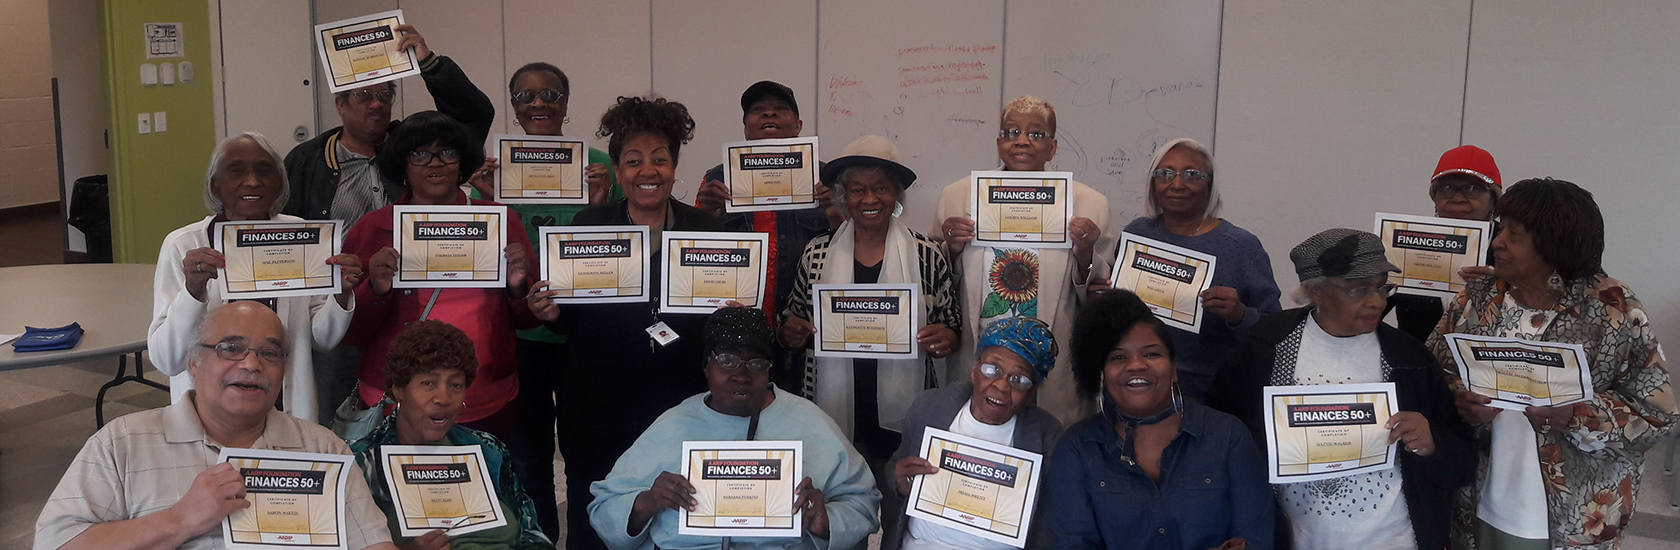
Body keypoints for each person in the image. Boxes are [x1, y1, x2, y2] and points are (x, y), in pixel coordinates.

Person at [1423, 178, 1676, 549]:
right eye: (1502, 228)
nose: (1497, 242)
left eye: (1515, 234)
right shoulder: (1477, 299)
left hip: (1573, 515)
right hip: (1478, 501)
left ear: (1555, 244)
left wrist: (1578, 415)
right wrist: (1458, 398)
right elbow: (1431, 376)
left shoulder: (1612, 309)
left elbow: (1657, 414)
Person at [36, 302, 397, 550]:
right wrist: (179, 520)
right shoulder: (122, 442)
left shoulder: (322, 448)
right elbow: (56, 543)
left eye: (269, 353)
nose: (252, 364)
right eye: (230, 348)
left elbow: (372, 542)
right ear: (193, 362)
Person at [526, 95, 720, 550]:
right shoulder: (588, 225)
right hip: (595, 405)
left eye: (659, 159)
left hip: (680, 404)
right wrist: (551, 313)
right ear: (617, 169)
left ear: (674, 166)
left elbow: (719, 328)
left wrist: (730, 315)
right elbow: (567, 324)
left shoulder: (707, 231)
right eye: (633, 161)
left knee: (674, 515)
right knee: (594, 511)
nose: (647, 171)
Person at [1208, 228, 1473, 550]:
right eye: (1359, 290)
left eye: (1382, 287)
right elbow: (1221, 434)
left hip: (1395, 539)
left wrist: (1432, 444)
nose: (1377, 302)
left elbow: (1463, 454)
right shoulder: (1267, 346)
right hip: (1297, 539)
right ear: (1315, 290)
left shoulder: (1409, 358)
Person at [283, 23, 494, 424]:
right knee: (334, 418)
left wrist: (430, 64)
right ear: (340, 103)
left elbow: (474, 114)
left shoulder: (409, 150)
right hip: (335, 307)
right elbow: (287, 234)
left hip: (402, 306)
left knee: (399, 412)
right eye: (364, 96)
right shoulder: (306, 160)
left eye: (385, 95)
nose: (377, 104)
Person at [462, 61, 622, 540]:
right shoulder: (495, 169)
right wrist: (486, 200)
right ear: (513, 105)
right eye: (526, 95)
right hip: (521, 332)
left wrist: (600, 208)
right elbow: (482, 251)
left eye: (550, 95)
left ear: (566, 103)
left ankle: (587, 541)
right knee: (529, 455)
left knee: (586, 453)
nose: (538, 103)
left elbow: (622, 249)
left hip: (582, 331)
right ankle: (541, 541)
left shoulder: (597, 164)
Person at [778, 136, 960, 541]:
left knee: (902, 522)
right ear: (843, 197)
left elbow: (951, 324)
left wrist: (945, 336)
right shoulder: (817, 253)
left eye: (880, 188)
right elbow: (793, 321)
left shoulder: (928, 254)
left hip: (904, 416)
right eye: (857, 190)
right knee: (840, 520)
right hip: (833, 411)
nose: (869, 199)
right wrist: (790, 333)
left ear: (896, 195)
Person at [587, 307, 881, 550]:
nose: (741, 375)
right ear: (706, 367)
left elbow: (863, 503)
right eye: (726, 360)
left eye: (756, 363)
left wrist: (825, 520)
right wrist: (646, 503)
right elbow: (603, 509)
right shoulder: (674, 424)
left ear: (770, 369)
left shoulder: (810, 423)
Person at [342, 111, 541, 445]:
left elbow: (529, 319)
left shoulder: (501, 221)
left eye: (447, 152)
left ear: (462, 163)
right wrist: (375, 289)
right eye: (419, 154)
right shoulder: (373, 228)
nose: (435, 162)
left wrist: (518, 287)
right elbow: (349, 333)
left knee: (486, 478)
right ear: (403, 166)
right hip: (393, 401)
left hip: (484, 399)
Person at [148, 132, 363, 422]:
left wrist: (341, 293)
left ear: (280, 183)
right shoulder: (184, 245)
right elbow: (167, 360)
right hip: (209, 418)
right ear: (216, 184)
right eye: (236, 170)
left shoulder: (300, 235)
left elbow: (321, 339)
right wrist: (192, 291)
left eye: (264, 171)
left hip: (285, 409)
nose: (252, 181)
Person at [932, 95, 1111, 426]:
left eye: (1036, 133)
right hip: (980, 354)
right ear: (999, 143)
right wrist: (953, 250)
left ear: (1053, 148)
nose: (1022, 141)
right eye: (1011, 132)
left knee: (1048, 440)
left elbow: (1100, 295)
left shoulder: (1089, 204)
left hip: (1053, 364)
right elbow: (937, 285)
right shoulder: (957, 196)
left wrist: (1086, 253)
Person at [1045, 290, 1272, 549]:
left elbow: (1256, 540)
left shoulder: (1229, 436)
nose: (1136, 365)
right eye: (1119, 357)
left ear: (1174, 369)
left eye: (1151, 354)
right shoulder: (1077, 448)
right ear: (1103, 375)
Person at [1095, 137, 1282, 403]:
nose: (1177, 184)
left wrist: (1240, 315)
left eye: (1192, 174)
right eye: (1165, 174)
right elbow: (1120, 307)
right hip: (1135, 385)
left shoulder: (1241, 246)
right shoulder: (1137, 233)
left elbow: (1276, 331)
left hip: (1210, 393)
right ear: (1152, 184)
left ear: (1210, 184)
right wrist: (1103, 297)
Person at [350, 320, 552, 550]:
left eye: (455, 385)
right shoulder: (364, 463)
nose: (444, 398)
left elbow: (531, 531)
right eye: (428, 383)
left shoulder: (487, 449)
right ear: (398, 388)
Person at [693, 81, 843, 367]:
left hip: (806, 327)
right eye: (758, 109)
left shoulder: (827, 178)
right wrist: (707, 213)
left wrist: (836, 212)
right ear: (746, 129)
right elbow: (694, 255)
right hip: (737, 328)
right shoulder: (717, 178)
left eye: (780, 109)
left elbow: (855, 246)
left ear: (798, 126)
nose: (769, 113)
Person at [885, 316, 1064, 550]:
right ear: (974, 370)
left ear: (1031, 394)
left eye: (1019, 379)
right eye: (992, 369)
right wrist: (899, 480)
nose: (1001, 385)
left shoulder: (1048, 436)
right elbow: (895, 469)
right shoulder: (929, 408)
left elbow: (1050, 520)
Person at [1386, 145, 1503, 342]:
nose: (1457, 198)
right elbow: (1366, 312)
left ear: (1493, 199)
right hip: (1417, 359)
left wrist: (1502, 284)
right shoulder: (1407, 242)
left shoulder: (1512, 246)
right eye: (1447, 189)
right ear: (1434, 197)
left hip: (1488, 359)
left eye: (1472, 189)